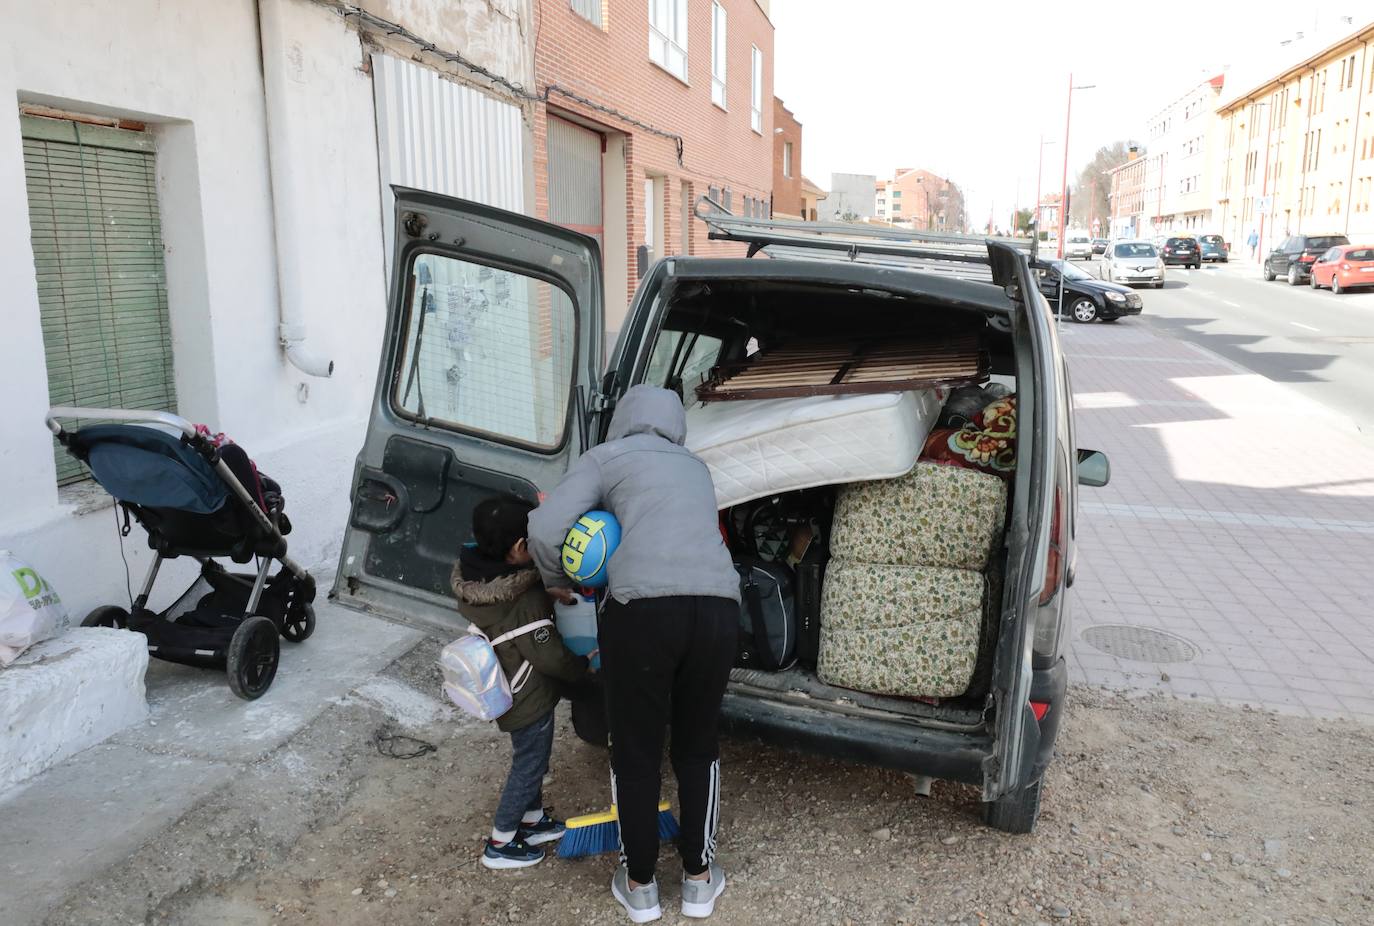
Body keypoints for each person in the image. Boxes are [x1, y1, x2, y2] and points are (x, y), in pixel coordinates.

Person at [529, 385, 739, 923]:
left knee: (637, 749)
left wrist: (556, 580)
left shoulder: (606, 457)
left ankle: (641, 885)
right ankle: (698, 881)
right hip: (717, 607)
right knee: (698, 745)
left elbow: (546, 528)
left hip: (642, 612)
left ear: (623, 419)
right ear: (676, 425)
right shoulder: (695, 467)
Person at [452, 495, 592, 871]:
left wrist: (545, 595)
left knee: (529, 759)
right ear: (518, 548)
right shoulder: (522, 602)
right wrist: (583, 666)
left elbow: (513, 621)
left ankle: (531, 820)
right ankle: (500, 841)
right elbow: (549, 656)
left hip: (506, 686)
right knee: (530, 764)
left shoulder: (478, 580)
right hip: (527, 699)